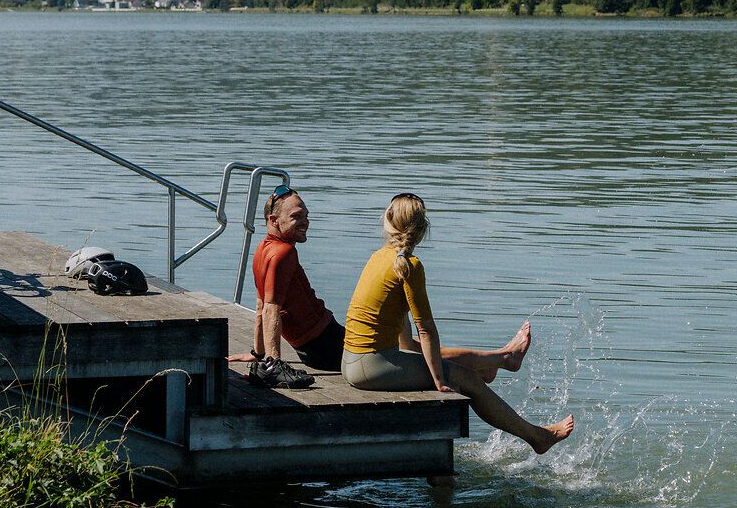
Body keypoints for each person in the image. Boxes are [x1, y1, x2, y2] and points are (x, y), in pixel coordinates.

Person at [343, 192, 574, 454]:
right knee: (467, 379)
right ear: (422, 229)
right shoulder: (409, 266)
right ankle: (537, 436)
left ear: (387, 222)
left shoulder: (379, 257)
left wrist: (431, 364)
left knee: (432, 356)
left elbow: (403, 332)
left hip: (353, 361)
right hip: (372, 367)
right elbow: (426, 329)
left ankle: (497, 360)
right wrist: (440, 380)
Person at [240, 186, 344, 389]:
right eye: (297, 216)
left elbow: (261, 305)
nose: (305, 222)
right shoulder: (284, 253)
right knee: (396, 348)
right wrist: (274, 363)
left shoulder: (263, 249)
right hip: (328, 344)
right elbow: (271, 308)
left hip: (312, 350)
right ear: (273, 220)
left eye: (306, 215)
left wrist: (258, 354)